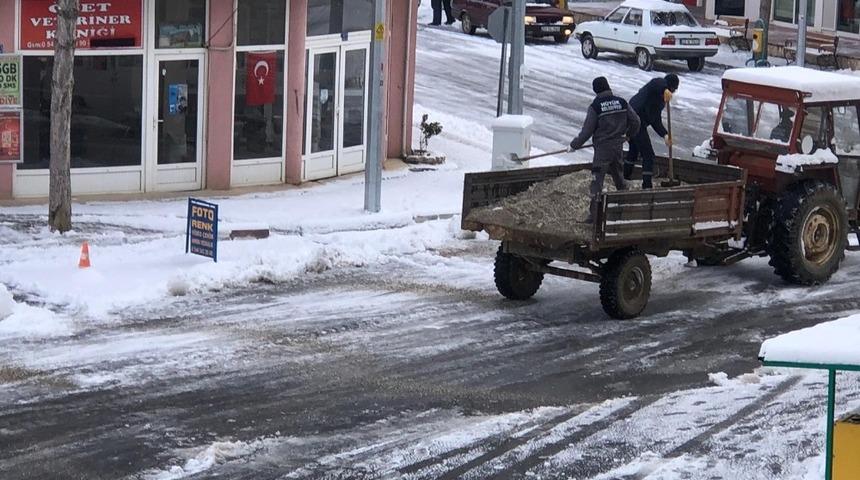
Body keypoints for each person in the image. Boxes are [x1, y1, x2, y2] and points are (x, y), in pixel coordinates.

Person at [570, 76, 641, 223]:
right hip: (617, 147)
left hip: (602, 150)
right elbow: (636, 121)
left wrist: (574, 145)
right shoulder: (621, 102)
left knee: (597, 182)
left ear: (596, 90)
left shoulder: (595, 106)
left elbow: (587, 131)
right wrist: (629, 135)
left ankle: (594, 217)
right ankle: (624, 210)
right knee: (619, 179)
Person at [625, 73, 680, 189]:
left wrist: (665, 134)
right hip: (634, 120)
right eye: (673, 89)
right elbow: (658, 83)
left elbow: (655, 120)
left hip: (633, 121)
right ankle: (647, 186)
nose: (673, 92)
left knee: (634, 150)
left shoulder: (660, 100)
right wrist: (664, 89)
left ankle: (624, 177)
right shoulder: (655, 86)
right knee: (648, 155)